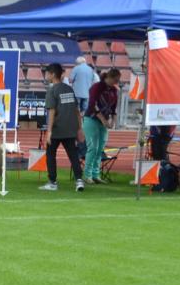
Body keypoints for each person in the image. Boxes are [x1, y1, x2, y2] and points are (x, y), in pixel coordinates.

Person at [39, 62, 84, 192]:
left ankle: (52, 182)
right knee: (73, 155)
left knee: (50, 154)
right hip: (71, 128)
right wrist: (79, 128)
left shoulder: (52, 90)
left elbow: (52, 111)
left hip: (57, 128)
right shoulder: (69, 89)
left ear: (52, 74)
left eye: (47, 73)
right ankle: (79, 180)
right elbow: (76, 110)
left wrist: (49, 131)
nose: (46, 76)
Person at [83, 67, 121, 184]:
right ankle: (87, 175)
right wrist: (103, 120)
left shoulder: (114, 90)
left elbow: (114, 108)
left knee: (100, 149)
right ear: (109, 77)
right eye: (116, 80)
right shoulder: (97, 87)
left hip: (103, 122)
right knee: (93, 148)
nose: (117, 82)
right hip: (91, 119)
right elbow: (92, 105)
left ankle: (96, 174)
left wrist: (113, 120)